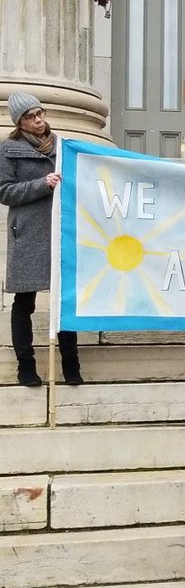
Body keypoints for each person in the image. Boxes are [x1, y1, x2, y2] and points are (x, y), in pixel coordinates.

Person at [0, 92, 82, 386]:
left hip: (61, 229)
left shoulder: (62, 146)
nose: (38, 121)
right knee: (24, 302)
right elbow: (4, 191)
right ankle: (26, 366)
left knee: (63, 300)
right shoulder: (8, 149)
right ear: (19, 123)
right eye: (30, 117)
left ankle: (71, 365)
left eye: (40, 113)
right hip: (28, 233)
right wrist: (41, 185)